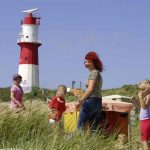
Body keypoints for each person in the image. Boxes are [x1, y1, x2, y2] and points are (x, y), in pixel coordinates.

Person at [76, 51, 103, 131]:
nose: (86, 63)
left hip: (91, 100)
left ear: (93, 61)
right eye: (85, 61)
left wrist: (81, 100)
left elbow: (90, 89)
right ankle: (94, 143)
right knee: (94, 129)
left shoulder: (94, 72)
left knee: (80, 127)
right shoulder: (98, 73)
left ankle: (80, 143)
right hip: (98, 101)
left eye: (88, 61)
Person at [132, 80, 150, 150]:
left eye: (143, 90)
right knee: (147, 140)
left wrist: (140, 97)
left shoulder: (148, 95)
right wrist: (135, 101)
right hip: (146, 120)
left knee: (144, 140)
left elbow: (144, 107)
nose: (141, 92)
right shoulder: (146, 96)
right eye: (140, 90)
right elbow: (141, 108)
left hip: (146, 121)